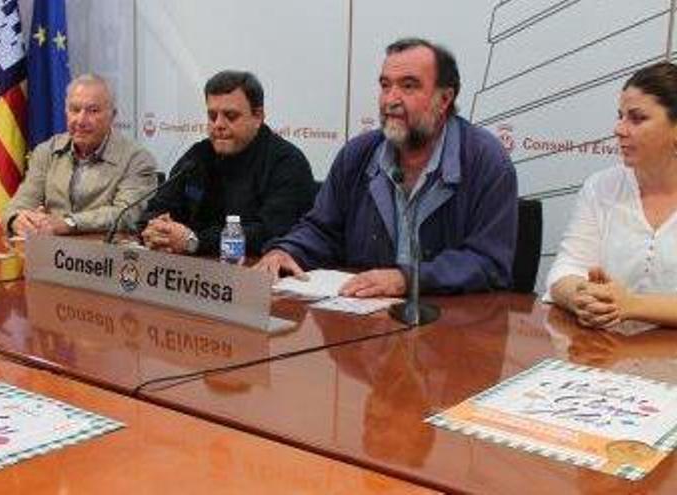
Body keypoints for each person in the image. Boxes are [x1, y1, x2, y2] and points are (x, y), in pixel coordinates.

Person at [255, 38, 517, 296]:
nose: (390, 99)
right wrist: (287, 250)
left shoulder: (486, 161)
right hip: (361, 319)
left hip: (452, 324)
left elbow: (489, 262)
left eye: (408, 86)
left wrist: (408, 279)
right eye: (385, 85)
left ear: (445, 99)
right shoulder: (358, 154)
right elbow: (322, 230)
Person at [546, 62, 677, 329]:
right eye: (620, 116)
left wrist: (630, 305)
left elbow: (624, 304)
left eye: (637, 118)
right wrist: (582, 296)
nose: (619, 129)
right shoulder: (602, 187)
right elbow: (565, 270)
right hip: (607, 355)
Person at [139, 70, 316, 256]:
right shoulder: (198, 156)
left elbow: (270, 233)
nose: (218, 125)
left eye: (230, 116)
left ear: (258, 116)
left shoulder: (287, 162)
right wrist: (157, 230)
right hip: (191, 271)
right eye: (212, 116)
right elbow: (157, 209)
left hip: (255, 273)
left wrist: (194, 241)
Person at [2, 74, 157, 236]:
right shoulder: (47, 151)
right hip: (49, 252)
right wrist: (17, 221)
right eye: (75, 110)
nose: (81, 120)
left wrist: (69, 223)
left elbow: (126, 215)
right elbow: (18, 205)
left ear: (113, 115)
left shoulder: (137, 159)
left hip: (101, 257)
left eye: (93, 111)